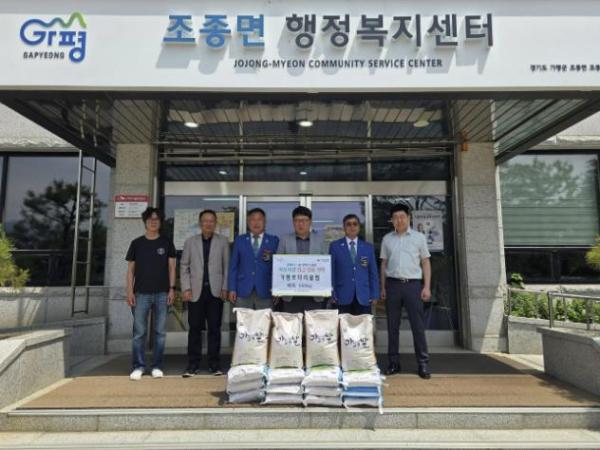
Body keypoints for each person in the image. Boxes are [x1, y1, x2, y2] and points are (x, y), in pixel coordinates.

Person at [380, 203, 432, 379]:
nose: (399, 220)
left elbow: (425, 262)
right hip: (393, 286)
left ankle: (423, 363)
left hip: (413, 286)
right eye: (395, 217)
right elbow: (384, 264)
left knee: (418, 326)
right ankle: (394, 363)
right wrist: (383, 287)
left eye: (402, 216)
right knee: (392, 327)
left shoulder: (419, 238)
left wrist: (426, 286)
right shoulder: (387, 239)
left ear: (409, 218)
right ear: (392, 220)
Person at [126, 207, 176, 381]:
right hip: (141, 294)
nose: (153, 222)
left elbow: (172, 267)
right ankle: (138, 366)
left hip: (162, 293)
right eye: (150, 219)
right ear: (145, 222)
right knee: (139, 332)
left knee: (160, 332)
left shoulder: (166, 242)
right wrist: (129, 291)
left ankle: (157, 366)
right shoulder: (136, 243)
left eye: (156, 219)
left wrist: (172, 288)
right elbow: (130, 270)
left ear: (160, 222)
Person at [180, 209, 230, 377]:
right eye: (205, 221)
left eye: (211, 221)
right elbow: (184, 266)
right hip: (195, 291)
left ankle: (214, 364)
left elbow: (227, 266)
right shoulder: (190, 242)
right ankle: (192, 364)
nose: (208, 223)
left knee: (214, 328)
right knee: (194, 328)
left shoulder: (223, 241)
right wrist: (186, 288)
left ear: (215, 223)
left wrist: (225, 287)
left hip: (215, 292)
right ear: (200, 223)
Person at [276, 206, 327, 313]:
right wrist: (277, 287)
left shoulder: (320, 240)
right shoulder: (285, 240)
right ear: (293, 222)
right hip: (290, 295)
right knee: (291, 323)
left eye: (304, 220)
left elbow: (326, 266)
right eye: (297, 220)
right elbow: (278, 266)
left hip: (314, 294)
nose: (301, 224)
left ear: (310, 222)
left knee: (313, 323)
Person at [228, 208, 279, 310]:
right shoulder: (240, 240)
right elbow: (233, 266)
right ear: (248, 222)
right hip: (243, 289)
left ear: (265, 222)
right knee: (243, 320)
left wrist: (277, 289)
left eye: (259, 219)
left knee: (264, 320)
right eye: (252, 219)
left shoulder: (274, 241)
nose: (256, 223)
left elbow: (277, 268)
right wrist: (232, 288)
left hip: (266, 289)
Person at [329, 214, 379, 315]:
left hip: (363, 296)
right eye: (348, 224)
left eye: (355, 224)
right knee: (343, 325)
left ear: (359, 227)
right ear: (344, 227)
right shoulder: (335, 246)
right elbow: (331, 272)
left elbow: (373, 273)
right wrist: (332, 293)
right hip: (341, 296)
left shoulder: (368, 247)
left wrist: (374, 294)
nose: (352, 227)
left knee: (362, 325)